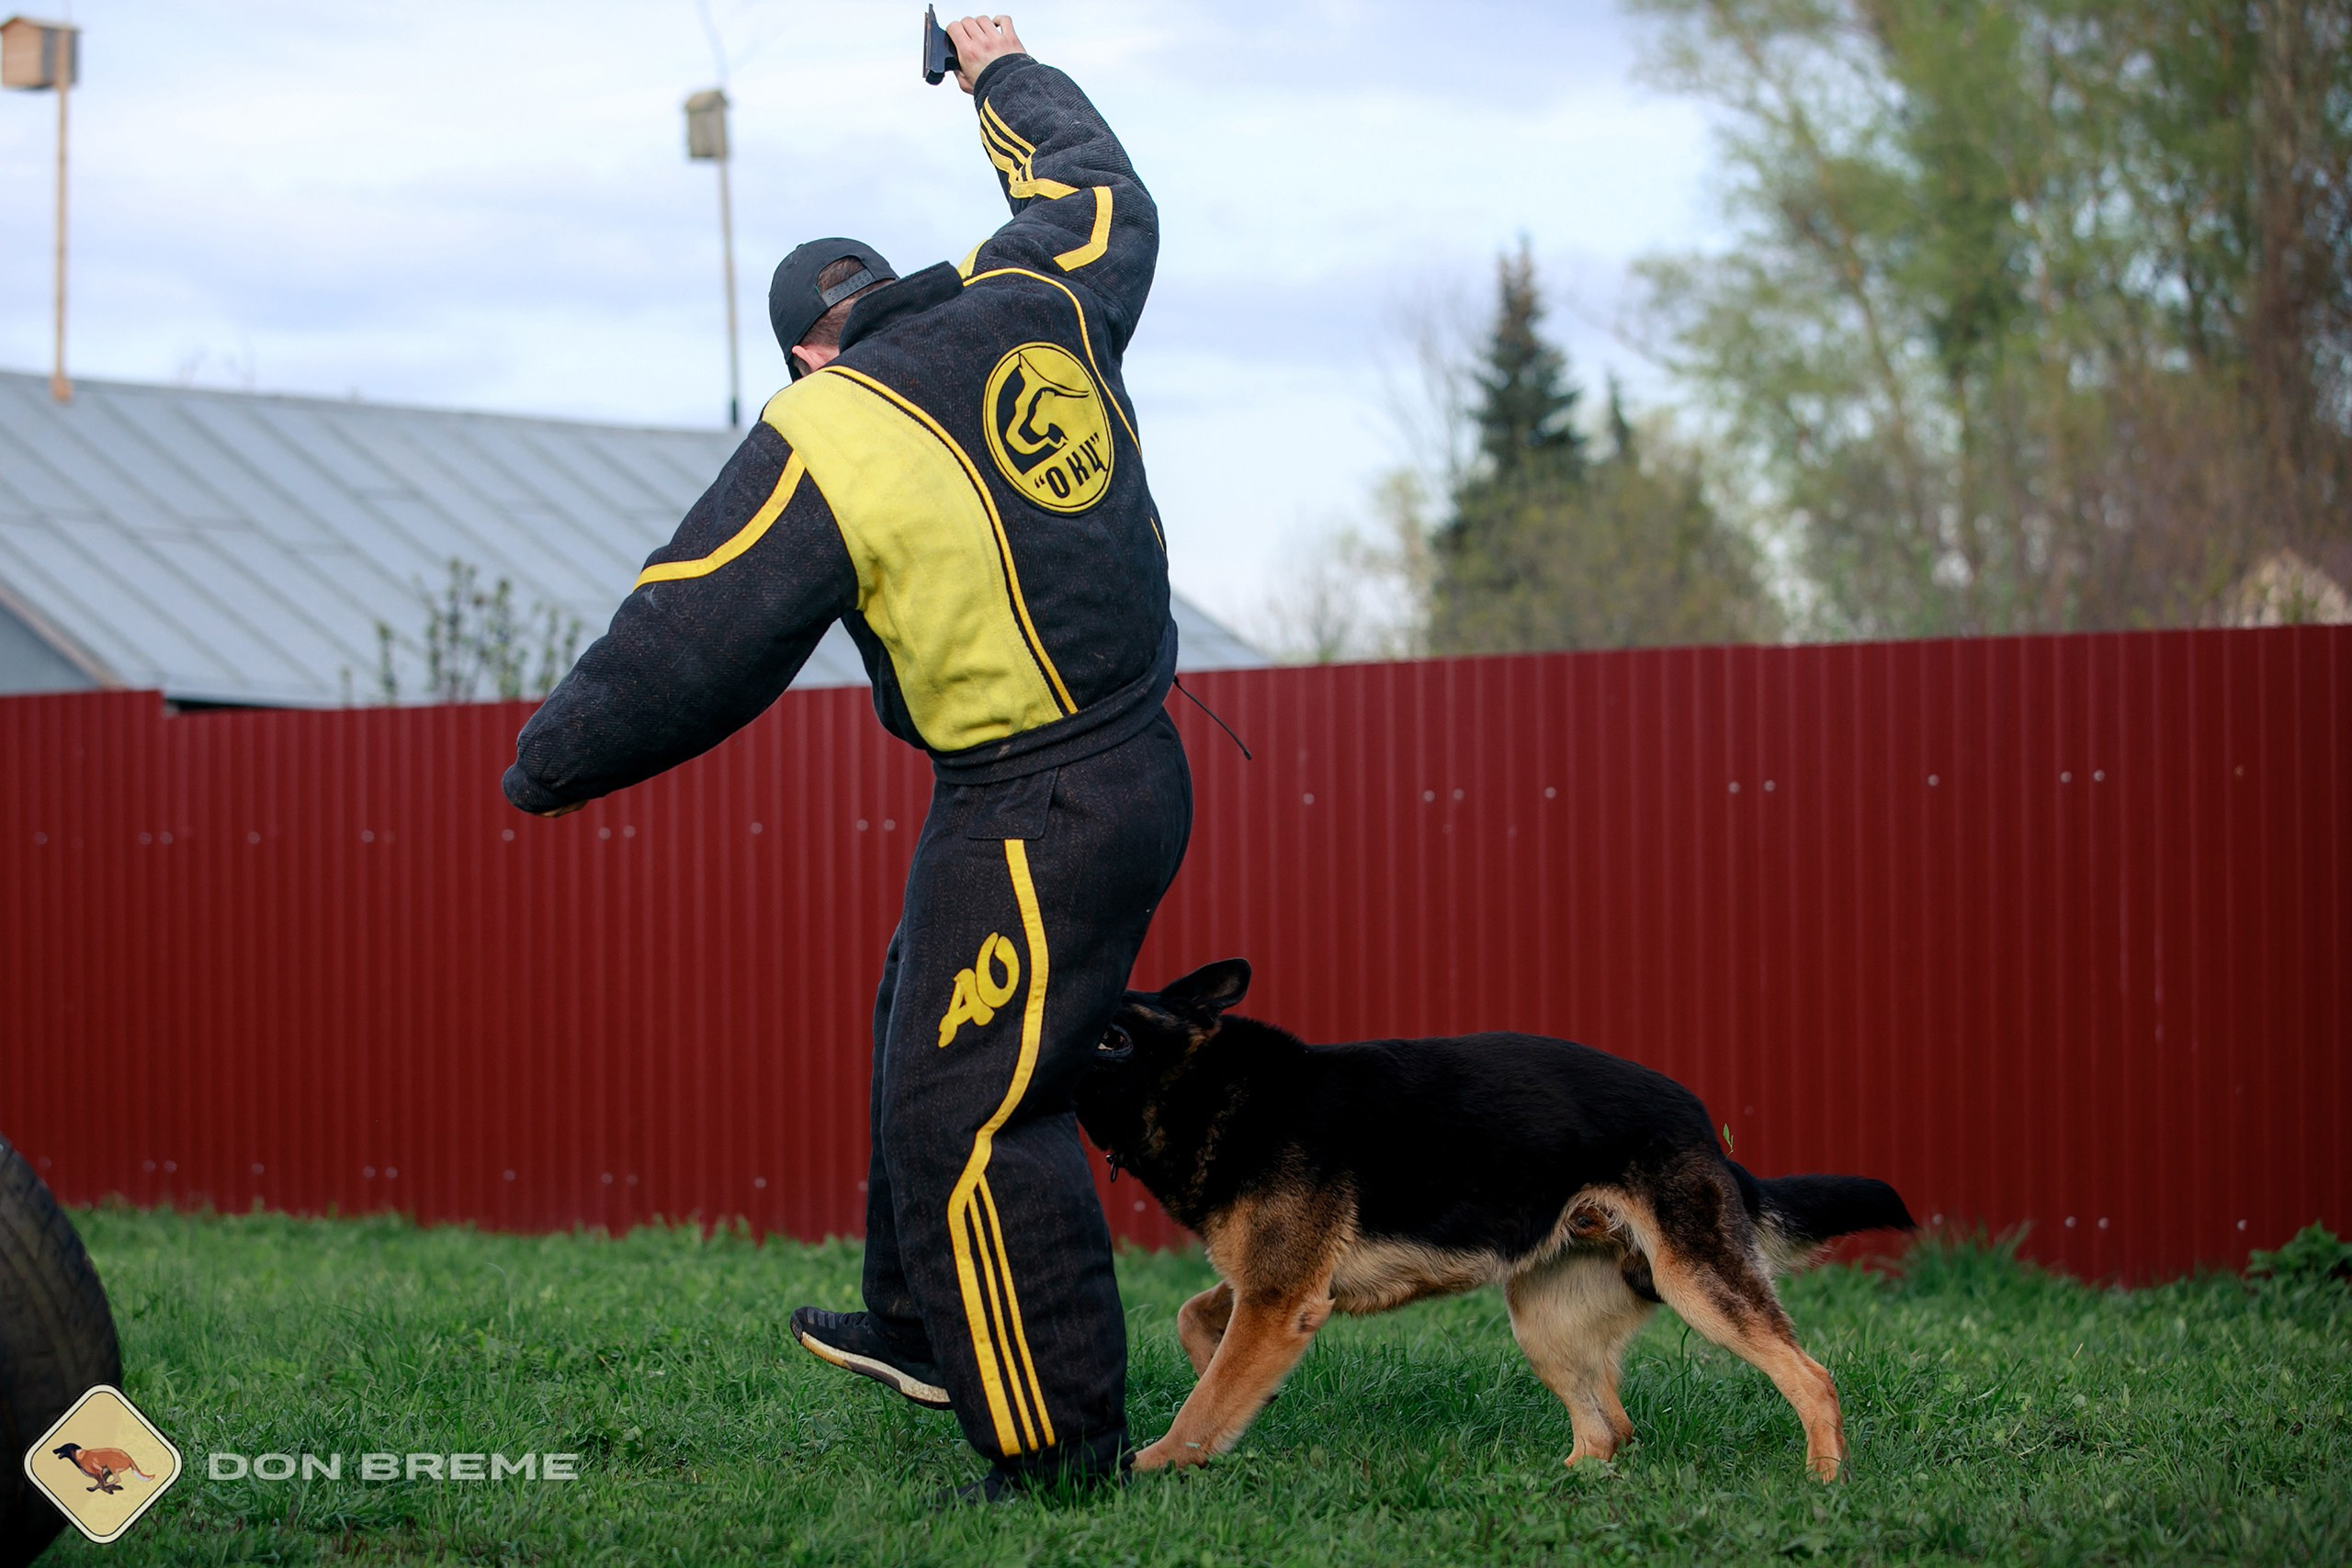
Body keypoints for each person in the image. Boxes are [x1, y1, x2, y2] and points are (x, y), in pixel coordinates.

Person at [500, 14, 1187, 1500]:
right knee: (918, 1022)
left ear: (811, 342)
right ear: (881, 291)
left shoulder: (827, 422)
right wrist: (994, 62)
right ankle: (922, 1324)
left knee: (977, 1112)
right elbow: (1094, 177)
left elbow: (688, 631)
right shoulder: (1040, 286)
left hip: (1040, 799)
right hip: (1126, 759)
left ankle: (1062, 1459)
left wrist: (544, 765)